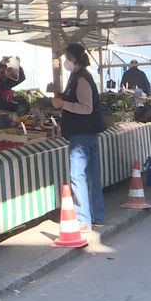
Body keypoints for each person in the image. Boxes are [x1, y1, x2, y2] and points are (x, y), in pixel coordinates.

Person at [52, 43, 105, 230]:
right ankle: (97, 216)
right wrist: (63, 98)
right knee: (92, 176)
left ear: (73, 58)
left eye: (66, 57)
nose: (65, 61)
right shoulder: (78, 76)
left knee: (78, 176)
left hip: (82, 135)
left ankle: (83, 220)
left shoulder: (81, 78)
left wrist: (62, 104)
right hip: (87, 133)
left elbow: (86, 107)